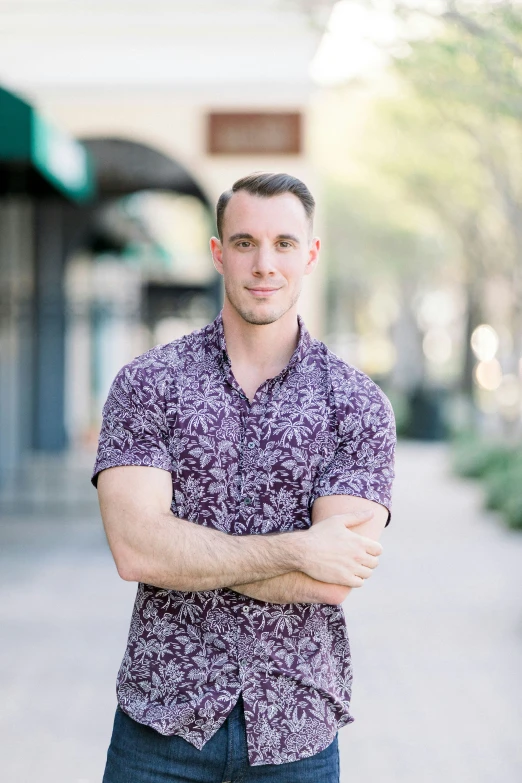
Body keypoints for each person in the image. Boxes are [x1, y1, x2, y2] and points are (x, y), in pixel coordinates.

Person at [93, 171, 396, 783]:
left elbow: (333, 580)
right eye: (245, 243)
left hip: (296, 733)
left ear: (309, 255)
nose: (265, 264)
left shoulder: (357, 404)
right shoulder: (148, 384)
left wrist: (186, 552)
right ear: (217, 253)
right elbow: (135, 551)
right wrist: (299, 547)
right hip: (161, 727)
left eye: (284, 243)